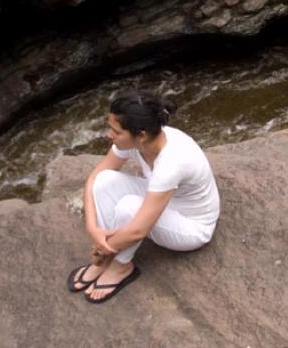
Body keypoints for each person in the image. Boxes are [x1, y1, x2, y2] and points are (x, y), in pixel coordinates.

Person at [67, 91, 220, 303]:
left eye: (116, 131)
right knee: (104, 181)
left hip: (191, 225)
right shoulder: (140, 139)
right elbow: (94, 178)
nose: (109, 135)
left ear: (141, 135)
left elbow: (138, 228)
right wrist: (93, 230)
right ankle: (108, 254)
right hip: (162, 199)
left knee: (129, 207)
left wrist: (100, 251)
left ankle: (121, 265)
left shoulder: (172, 162)